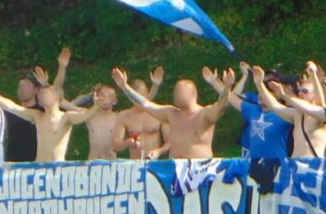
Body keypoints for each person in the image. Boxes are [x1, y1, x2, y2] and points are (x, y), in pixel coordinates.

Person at [112, 65, 245, 159]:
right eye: (175, 92)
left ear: (193, 94)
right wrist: (125, 87)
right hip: (173, 170)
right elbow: (145, 104)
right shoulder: (171, 113)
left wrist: (227, 87)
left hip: (200, 170)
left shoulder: (205, 113)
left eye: (179, 92)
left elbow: (221, 106)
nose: (175, 95)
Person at [247, 65, 326, 157]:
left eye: (305, 91)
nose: (300, 93)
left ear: (315, 94)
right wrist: (259, 84)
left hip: (313, 167)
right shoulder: (297, 114)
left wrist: (313, 76)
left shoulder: (320, 116)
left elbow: (321, 105)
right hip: (295, 166)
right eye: (299, 90)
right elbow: (274, 106)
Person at [114, 67, 168, 159]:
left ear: (147, 92)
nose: (139, 100)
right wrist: (128, 142)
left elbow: (171, 142)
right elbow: (115, 146)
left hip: (154, 162)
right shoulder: (124, 116)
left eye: (142, 95)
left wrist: (158, 151)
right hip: (135, 162)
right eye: (135, 97)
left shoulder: (158, 113)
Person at [81, 84, 126, 162]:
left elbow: (141, 107)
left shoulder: (119, 118)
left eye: (110, 96)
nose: (106, 98)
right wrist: (90, 95)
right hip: (92, 164)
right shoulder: (89, 115)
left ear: (115, 100)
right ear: (97, 97)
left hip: (111, 166)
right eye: (103, 95)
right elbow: (64, 104)